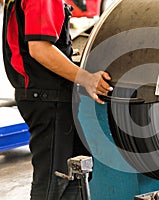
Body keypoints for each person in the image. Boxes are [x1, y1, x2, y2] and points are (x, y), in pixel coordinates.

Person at [2, 0, 113, 199]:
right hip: (48, 98)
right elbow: (40, 48)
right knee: (53, 182)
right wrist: (86, 78)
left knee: (74, 177)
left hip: (46, 96)